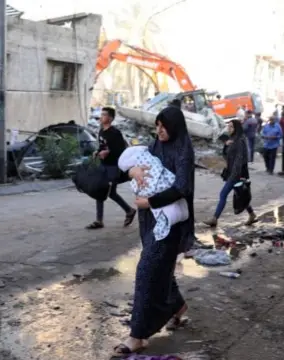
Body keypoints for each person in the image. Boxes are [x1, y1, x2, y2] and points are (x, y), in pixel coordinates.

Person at [111, 106, 195, 357]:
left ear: (175, 127)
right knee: (160, 267)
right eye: (157, 125)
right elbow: (128, 168)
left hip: (169, 222)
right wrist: (131, 171)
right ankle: (179, 308)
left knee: (146, 270)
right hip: (148, 221)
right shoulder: (154, 146)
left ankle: (138, 335)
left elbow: (183, 187)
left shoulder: (183, 151)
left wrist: (150, 202)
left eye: (164, 125)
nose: (159, 130)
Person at [86, 107, 136, 230]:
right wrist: (97, 152)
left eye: (104, 115)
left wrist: (108, 153)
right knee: (105, 191)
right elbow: (102, 146)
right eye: (101, 114)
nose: (101, 117)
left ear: (110, 118)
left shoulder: (115, 133)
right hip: (103, 166)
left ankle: (127, 211)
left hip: (113, 167)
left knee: (106, 192)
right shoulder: (101, 131)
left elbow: (120, 151)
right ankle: (125, 212)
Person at [203, 120, 257, 227]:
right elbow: (225, 154)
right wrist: (226, 145)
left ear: (236, 128)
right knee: (241, 194)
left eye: (231, 127)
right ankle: (252, 214)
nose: (229, 129)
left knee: (223, 194)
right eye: (228, 127)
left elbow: (239, 159)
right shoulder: (232, 139)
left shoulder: (240, 140)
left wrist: (234, 175)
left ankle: (214, 219)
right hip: (232, 172)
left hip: (237, 173)